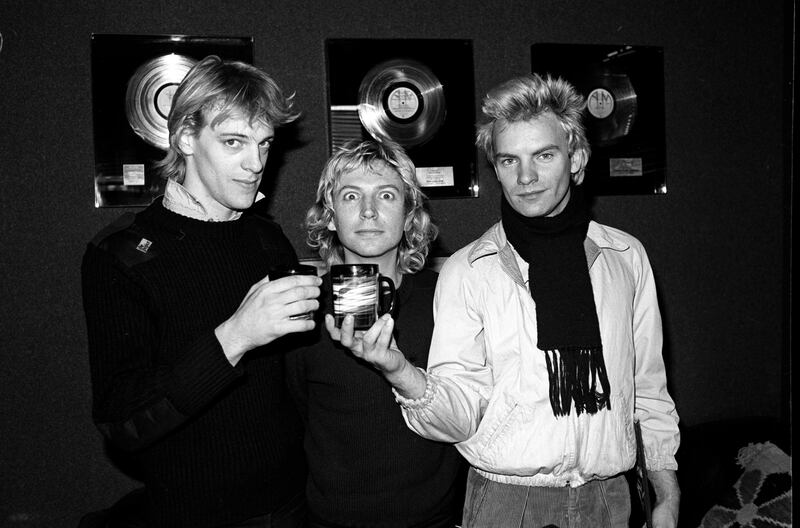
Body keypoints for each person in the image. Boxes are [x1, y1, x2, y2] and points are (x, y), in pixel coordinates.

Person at [334, 74, 681, 528]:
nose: (527, 176)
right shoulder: (469, 269)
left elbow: (648, 390)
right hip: (505, 504)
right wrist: (399, 371)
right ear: (495, 169)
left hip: (610, 501)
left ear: (576, 158)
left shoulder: (626, 256)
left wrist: (667, 492)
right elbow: (458, 416)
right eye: (509, 160)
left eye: (544, 155)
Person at [81, 55, 321, 528]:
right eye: (234, 142)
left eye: (264, 144)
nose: (256, 165)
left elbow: (289, 380)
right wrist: (234, 337)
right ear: (186, 137)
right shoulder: (121, 252)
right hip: (194, 513)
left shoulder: (265, 237)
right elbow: (122, 421)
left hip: (295, 501)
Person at [284, 139, 465, 527]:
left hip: (434, 520)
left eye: (385, 195)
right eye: (351, 196)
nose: (368, 212)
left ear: (409, 213)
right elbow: (293, 422)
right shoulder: (301, 307)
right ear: (330, 216)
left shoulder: (449, 297)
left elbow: (468, 413)